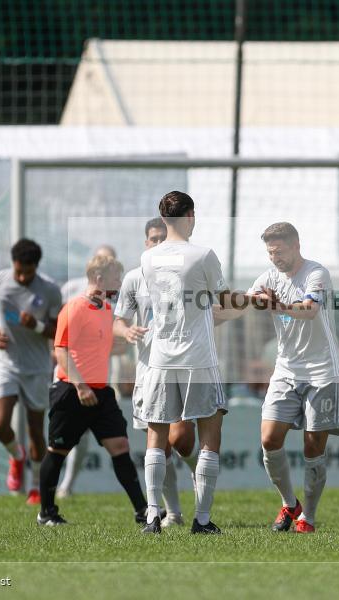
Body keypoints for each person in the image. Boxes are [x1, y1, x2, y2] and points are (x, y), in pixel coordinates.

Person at [138, 191, 245, 535]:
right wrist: (254, 300)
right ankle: (201, 520)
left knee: (156, 437)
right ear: (190, 216)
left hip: (160, 358)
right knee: (209, 437)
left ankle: (153, 517)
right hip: (198, 357)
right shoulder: (203, 255)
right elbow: (226, 301)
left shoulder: (147, 259)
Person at [37, 255, 151, 526]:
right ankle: (46, 512)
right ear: (99, 278)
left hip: (101, 393)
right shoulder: (73, 308)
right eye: (115, 278)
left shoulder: (106, 310)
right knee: (57, 451)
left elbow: (108, 342)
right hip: (72, 391)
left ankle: (142, 511)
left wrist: (127, 334)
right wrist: (80, 385)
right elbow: (61, 350)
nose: (119, 283)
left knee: (120, 446)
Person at [247, 222, 339, 533]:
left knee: (313, 446)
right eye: (270, 252)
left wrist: (278, 305)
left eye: (279, 251)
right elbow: (250, 298)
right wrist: (247, 300)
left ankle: (309, 519)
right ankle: (290, 504)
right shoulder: (269, 277)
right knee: (268, 439)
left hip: (322, 371)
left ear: (296, 245)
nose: (275, 258)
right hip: (286, 369)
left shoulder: (317, 273)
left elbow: (309, 310)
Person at [114, 217, 200, 528]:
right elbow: (119, 319)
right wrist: (125, 331)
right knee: (160, 447)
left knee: (180, 439)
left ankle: (198, 470)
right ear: (146, 242)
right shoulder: (134, 278)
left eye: (163, 237)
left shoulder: (188, 274)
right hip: (148, 371)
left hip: (181, 367)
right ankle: (174, 513)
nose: (158, 242)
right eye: (153, 238)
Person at [0, 238, 62, 505]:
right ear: (12, 264)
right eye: (19, 271)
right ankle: (16, 456)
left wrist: (36, 326)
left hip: (36, 367)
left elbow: (58, 329)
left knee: (37, 430)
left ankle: (36, 486)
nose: (23, 276)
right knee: (0, 424)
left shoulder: (49, 290)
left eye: (28, 272)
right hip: (5, 363)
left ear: (37, 267)